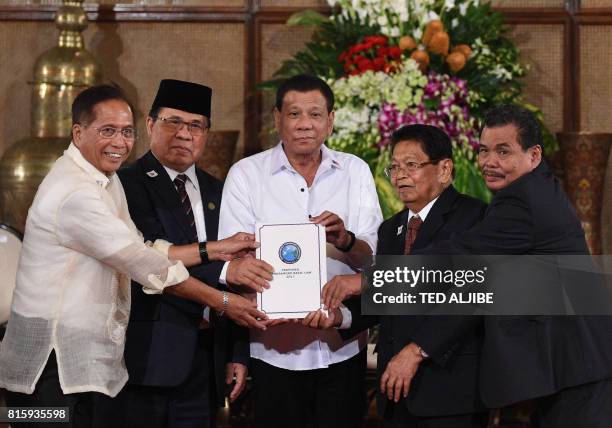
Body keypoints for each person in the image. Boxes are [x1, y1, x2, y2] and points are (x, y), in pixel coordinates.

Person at [0, 84, 266, 428]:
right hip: (48, 366)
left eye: (126, 132)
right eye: (107, 131)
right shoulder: (76, 192)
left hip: (82, 362)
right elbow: (146, 266)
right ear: (78, 132)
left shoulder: (103, 182)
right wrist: (225, 301)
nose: (119, 142)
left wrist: (212, 248)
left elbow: (144, 248)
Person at [400, 105, 612, 427]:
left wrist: (370, 280)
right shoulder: (535, 187)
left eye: (503, 151)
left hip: (579, 370)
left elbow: (460, 256)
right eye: (484, 151)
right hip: (573, 366)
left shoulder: (522, 202)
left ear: (534, 155)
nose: (489, 162)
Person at [218, 74, 383, 428]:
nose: (305, 124)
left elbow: (374, 262)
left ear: (331, 120)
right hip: (272, 346)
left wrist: (346, 240)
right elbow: (233, 263)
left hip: (341, 344)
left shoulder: (355, 171)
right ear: (277, 118)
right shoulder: (246, 174)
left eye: (315, 114)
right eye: (294, 114)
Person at [309, 124, 489, 427]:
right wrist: (339, 317)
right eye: (394, 167)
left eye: (411, 165)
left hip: (450, 389)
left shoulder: (474, 217)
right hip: (395, 392)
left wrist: (416, 351)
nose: (399, 175)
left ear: (444, 169)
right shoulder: (391, 228)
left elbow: (468, 297)